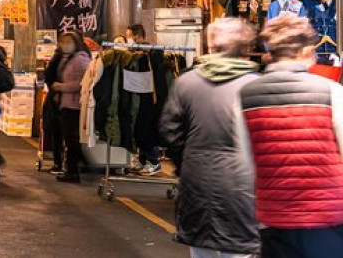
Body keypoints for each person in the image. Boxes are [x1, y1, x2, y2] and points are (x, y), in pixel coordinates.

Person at [237, 14, 343, 257]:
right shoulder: (331, 92)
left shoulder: (247, 95)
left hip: (275, 218)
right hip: (328, 218)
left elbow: (244, 164)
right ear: (305, 50)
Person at [159, 18, 260, 258]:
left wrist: (185, 163)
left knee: (202, 247)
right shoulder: (255, 85)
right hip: (243, 181)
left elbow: (168, 130)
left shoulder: (186, 82)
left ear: (211, 46)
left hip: (196, 178)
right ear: (246, 48)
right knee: (239, 249)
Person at [126, 23, 167, 175]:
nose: (128, 39)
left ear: (137, 36)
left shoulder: (151, 52)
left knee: (148, 129)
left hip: (150, 98)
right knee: (140, 129)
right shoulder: (136, 54)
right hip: (140, 95)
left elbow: (158, 68)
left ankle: (154, 160)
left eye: (129, 36)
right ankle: (143, 159)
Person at [52, 30, 91, 183]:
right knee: (69, 139)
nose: (65, 45)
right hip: (67, 104)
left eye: (68, 42)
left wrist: (62, 87)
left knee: (72, 139)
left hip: (75, 105)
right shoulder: (67, 59)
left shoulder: (81, 60)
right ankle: (73, 168)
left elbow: (83, 83)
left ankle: (73, 171)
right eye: (63, 42)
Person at [43, 37, 66, 175]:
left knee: (61, 132)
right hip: (59, 98)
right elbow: (49, 75)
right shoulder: (59, 56)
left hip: (63, 98)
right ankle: (60, 162)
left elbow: (48, 75)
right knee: (58, 132)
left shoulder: (76, 57)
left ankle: (61, 163)